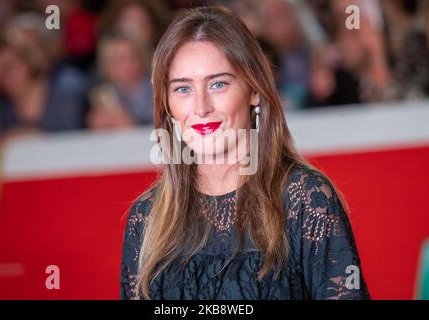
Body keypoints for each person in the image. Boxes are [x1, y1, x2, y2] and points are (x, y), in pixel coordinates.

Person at [120, 6, 370, 300]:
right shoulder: (146, 217)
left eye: (218, 84)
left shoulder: (305, 199)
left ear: (253, 90)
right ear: (167, 102)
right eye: (183, 89)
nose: (201, 107)